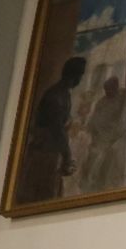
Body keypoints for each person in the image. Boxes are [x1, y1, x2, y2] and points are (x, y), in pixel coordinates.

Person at [16, 56, 86, 204]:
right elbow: (57, 129)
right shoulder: (56, 95)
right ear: (75, 75)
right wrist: (67, 155)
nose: (81, 80)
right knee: (41, 195)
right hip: (45, 152)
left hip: (52, 151)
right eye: (81, 75)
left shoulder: (64, 93)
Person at [80, 75, 126, 194]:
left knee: (109, 161)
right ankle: (87, 183)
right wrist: (93, 132)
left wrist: (115, 136)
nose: (107, 92)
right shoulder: (101, 102)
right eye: (106, 89)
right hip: (99, 136)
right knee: (92, 158)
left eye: (110, 89)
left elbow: (124, 120)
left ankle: (103, 185)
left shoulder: (123, 99)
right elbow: (94, 119)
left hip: (114, 137)